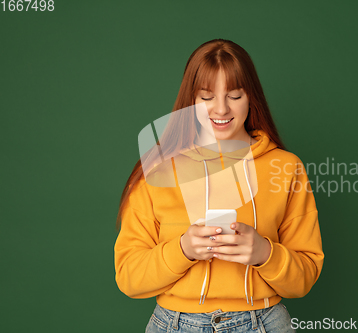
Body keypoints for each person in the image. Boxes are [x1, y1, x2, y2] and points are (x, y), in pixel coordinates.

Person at [114, 39, 324, 333]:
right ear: (191, 100)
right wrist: (183, 249)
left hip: (264, 322)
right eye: (206, 97)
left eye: (235, 95)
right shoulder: (158, 168)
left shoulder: (286, 167)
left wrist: (264, 253)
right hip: (173, 324)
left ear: (251, 98)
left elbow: (304, 278)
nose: (221, 109)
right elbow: (129, 278)